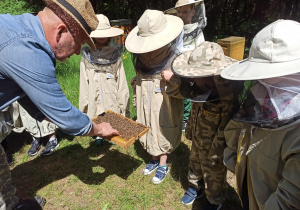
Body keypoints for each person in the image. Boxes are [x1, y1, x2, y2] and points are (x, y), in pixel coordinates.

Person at [0, 0, 119, 209]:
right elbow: (63, 114)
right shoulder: (29, 48)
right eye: (78, 43)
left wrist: (47, 113)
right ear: (61, 31)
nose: (76, 53)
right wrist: (99, 128)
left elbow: (27, 94)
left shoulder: (22, 27)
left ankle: (10, 203)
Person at [221, 20, 300, 209]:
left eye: (276, 85)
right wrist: (236, 162)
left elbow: (289, 199)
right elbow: (235, 133)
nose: (261, 87)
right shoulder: (260, 93)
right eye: (260, 78)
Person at [162, 42, 240, 209]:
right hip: (198, 135)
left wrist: (218, 148)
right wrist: (190, 129)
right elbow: (195, 109)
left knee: (214, 170)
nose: (193, 79)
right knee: (195, 160)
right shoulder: (199, 86)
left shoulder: (227, 94)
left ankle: (214, 199)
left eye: (196, 75)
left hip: (215, 142)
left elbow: (227, 124)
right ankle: (195, 187)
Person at [125, 10, 184, 184]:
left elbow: (184, 91)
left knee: (163, 128)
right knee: (148, 125)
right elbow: (139, 78)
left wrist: (173, 79)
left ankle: (163, 163)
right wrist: (136, 89)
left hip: (165, 105)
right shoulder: (140, 58)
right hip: (146, 100)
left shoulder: (175, 59)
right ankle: (153, 158)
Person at [79, 14, 130, 145]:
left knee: (111, 108)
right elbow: (84, 83)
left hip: (111, 93)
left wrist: (124, 106)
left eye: (104, 34)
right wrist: (83, 109)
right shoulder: (87, 55)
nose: (101, 37)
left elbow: (121, 82)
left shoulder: (115, 54)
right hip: (93, 93)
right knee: (95, 109)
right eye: (98, 34)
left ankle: (112, 130)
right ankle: (98, 133)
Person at [165, 0, 207, 130]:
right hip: (173, 67)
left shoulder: (197, 31)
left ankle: (186, 119)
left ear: (193, 12)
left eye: (185, 12)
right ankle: (173, 114)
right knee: (174, 90)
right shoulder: (173, 30)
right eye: (179, 12)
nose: (181, 15)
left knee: (187, 92)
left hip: (188, 67)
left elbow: (201, 51)